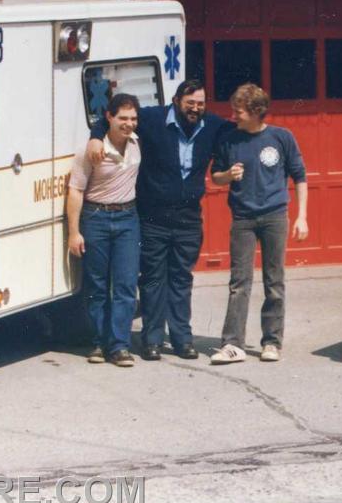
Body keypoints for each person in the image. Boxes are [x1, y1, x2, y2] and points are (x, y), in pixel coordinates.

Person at [87, 80, 234, 361]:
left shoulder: (213, 126)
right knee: (153, 279)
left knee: (181, 279)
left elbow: (242, 131)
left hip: (189, 217)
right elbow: (116, 120)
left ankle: (182, 340)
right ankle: (152, 340)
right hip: (153, 217)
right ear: (177, 100)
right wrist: (96, 136)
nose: (195, 108)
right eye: (190, 103)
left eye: (200, 103)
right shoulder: (152, 119)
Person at [210, 84, 308, 364]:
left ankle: (272, 342)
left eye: (238, 111)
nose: (234, 115)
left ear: (256, 111)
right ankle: (233, 344)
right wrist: (228, 175)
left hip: (275, 216)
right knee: (239, 283)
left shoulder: (281, 137)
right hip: (242, 218)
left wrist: (302, 216)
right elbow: (215, 177)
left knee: (274, 282)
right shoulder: (229, 139)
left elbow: (300, 176)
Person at [67, 93, 142, 367]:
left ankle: (120, 346)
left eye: (133, 118)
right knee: (97, 285)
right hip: (96, 218)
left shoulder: (137, 142)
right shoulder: (91, 151)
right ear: (109, 117)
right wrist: (74, 232)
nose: (129, 124)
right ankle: (99, 342)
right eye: (122, 118)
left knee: (125, 284)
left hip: (127, 218)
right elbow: (75, 190)